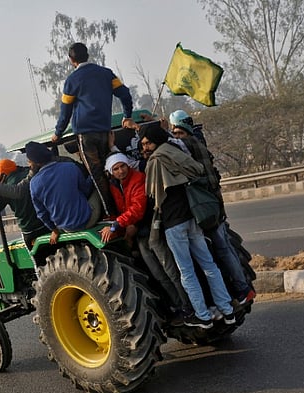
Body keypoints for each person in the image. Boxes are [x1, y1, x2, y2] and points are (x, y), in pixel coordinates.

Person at [142, 123, 238, 329]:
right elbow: (198, 169)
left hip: (173, 224)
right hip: (192, 219)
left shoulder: (156, 160)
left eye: (147, 143)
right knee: (209, 265)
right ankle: (227, 310)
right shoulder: (176, 151)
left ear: (156, 141)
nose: (145, 147)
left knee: (186, 272)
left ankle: (203, 316)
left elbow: (152, 194)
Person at [171, 117, 255, 306]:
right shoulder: (198, 144)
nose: (177, 137)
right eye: (174, 134)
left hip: (206, 208)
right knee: (225, 248)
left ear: (187, 134)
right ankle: (241, 288)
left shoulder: (188, 144)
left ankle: (240, 289)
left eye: (179, 133)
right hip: (213, 204)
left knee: (221, 251)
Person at [51, 42, 137, 218]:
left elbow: (65, 111)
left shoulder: (72, 80)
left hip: (85, 134)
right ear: (88, 55)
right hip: (105, 131)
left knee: (97, 175)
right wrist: (127, 115)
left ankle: (111, 215)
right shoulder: (106, 74)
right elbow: (125, 94)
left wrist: (58, 133)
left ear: (71, 60)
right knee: (110, 170)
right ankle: (124, 208)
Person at [0, 147, 50, 247]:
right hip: (47, 224)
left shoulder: (6, 190)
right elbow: (4, 168)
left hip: (30, 230)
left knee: (36, 257)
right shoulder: (29, 173)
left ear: (2, 176)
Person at [26, 141, 100, 245]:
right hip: (88, 219)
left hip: (65, 227)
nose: (28, 164)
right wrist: (92, 176)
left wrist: (54, 230)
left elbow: (41, 214)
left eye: (29, 161)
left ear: (36, 162)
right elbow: (86, 190)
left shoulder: (33, 183)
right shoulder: (70, 166)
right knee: (98, 188)